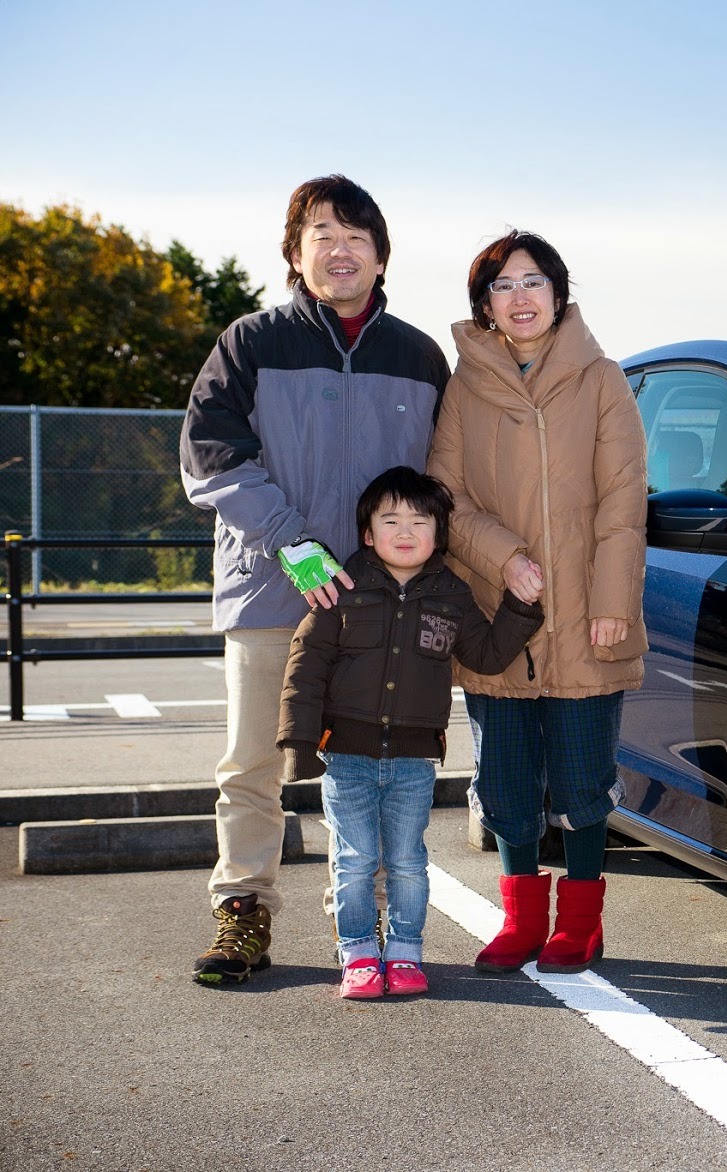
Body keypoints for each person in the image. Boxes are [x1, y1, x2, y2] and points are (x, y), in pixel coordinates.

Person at [180, 175, 450, 986]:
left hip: (381, 606)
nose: (341, 249)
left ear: (381, 254)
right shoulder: (251, 343)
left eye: (357, 236)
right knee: (253, 763)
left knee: (371, 770)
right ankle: (244, 912)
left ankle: (363, 933)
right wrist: (290, 542)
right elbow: (211, 456)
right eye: (323, 234)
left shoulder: (420, 357)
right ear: (296, 253)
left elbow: (443, 481)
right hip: (273, 590)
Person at [427, 230, 647, 974]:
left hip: (589, 612)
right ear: (484, 305)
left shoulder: (602, 380)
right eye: (503, 286)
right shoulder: (464, 386)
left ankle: (581, 923)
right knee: (507, 778)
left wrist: (612, 597)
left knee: (584, 779)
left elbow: (623, 502)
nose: (519, 297)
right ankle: (522, 921)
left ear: (557, 294)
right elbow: (445, 498)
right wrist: (505, 555)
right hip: (499, 614)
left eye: (533, 282)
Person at [279, 466, 542, 998]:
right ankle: (356, 954)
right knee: (352, 861)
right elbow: (306, 665)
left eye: (420, 521)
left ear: (438, 535)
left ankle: (403, 954)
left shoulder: (453, 595)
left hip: (413, 761)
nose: (405, 531)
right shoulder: (342, 590)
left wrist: (520, 607)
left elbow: (487, 656)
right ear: (367, 534)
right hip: (346, 755)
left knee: (406, 861)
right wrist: (299, 742)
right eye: (390, 519)